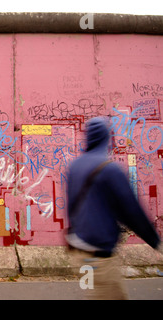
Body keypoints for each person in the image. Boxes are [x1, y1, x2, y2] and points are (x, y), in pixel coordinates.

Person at [65, 116, 162, 300]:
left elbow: (70, 208)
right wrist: (155, 241)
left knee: (93, 293)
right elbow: (132, 211)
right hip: (98, 255)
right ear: (106, 138)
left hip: (79, 253)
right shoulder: (110, 169)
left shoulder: (75, 166)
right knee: (109, 295)